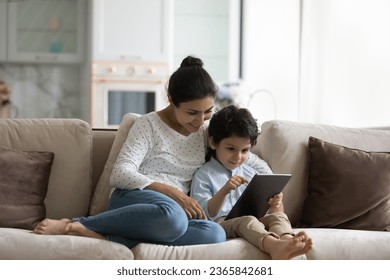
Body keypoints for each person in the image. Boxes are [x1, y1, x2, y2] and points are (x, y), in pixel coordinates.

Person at [33, 56, 227, 248]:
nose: (201, 120)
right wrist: (174, 193)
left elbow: (238, 150)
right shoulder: (148, 124)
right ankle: (74, 224)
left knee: (215, 233)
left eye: (208, 111)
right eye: (192, 113)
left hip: (174, 213)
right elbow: (120, 174)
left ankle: (102, 235)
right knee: (173, 218)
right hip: (136, 200)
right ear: (171, 100)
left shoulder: (204, 132)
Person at [190, 105, 313, 259]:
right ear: (213, 143)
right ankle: (274, 246)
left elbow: (275, 211)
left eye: (245, 151)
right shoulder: (204, 174)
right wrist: (225, 190)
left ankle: (288, 242)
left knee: (278, 217)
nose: (238, 157)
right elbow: (205, 214)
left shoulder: (251, 172)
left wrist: (276, 205)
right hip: (221, 223)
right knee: (247, 221)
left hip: (253, 219)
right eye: (231, 149)